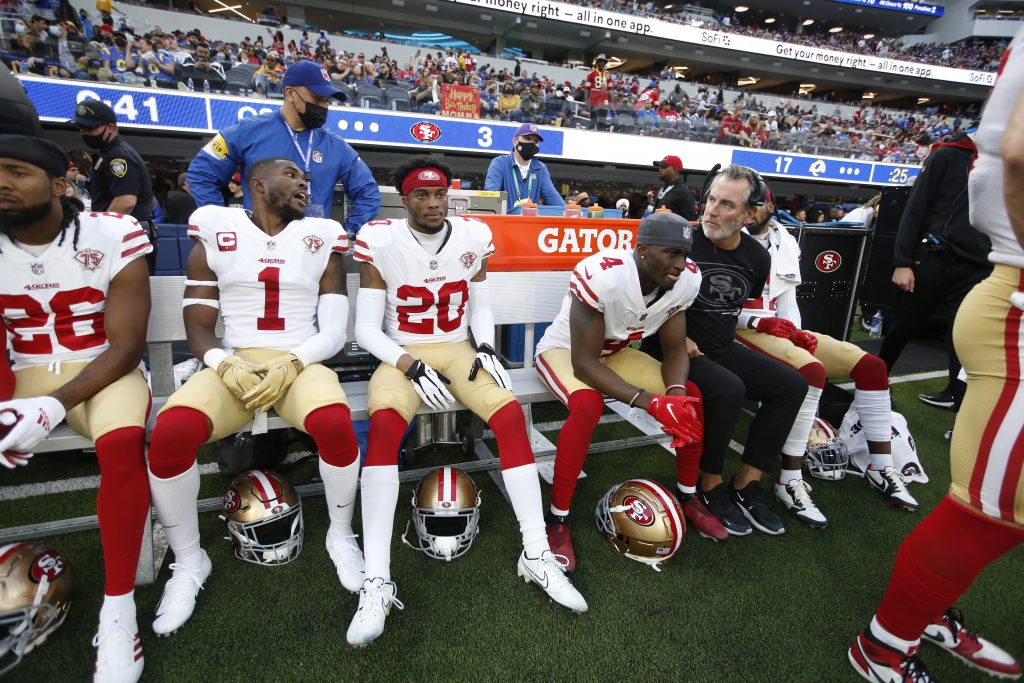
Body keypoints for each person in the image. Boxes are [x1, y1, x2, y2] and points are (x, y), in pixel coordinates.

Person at [348, 156, 587, 647]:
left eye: (439, 195)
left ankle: (536, 553)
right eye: (421, 195)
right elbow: (366, 329)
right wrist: (408, 364)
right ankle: (376, 578)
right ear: (405, 199)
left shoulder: (473, 236)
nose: (432, 204)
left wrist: (485, 345)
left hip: (459, 348)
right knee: (386, 433)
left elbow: (480, 304)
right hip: (404, 354)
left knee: (510, 418)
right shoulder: (381, 240)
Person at [848, 26, 1024, 682]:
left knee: (997, 504)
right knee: (989, 511)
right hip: (994, 280)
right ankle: (886, 642)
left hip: (990, 274)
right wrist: (901, 258)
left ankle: (930, 609)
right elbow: (1016, 153)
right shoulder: (952, 153)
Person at [146, 157, 364, 637]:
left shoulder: (322, 239)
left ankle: (341, 532)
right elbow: (199, 329)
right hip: (236, 360)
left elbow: (334, 332)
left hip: (301, 360)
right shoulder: (216, 230)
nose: (304, 182)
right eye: (292, 174)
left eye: (307, 178)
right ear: (257, 183)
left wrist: (293, 362)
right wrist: (224, 363)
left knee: (333, 423)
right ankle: (188, 560)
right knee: (171, 432)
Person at [0, 135, 153, 682]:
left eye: (16, 172)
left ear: (60, 185)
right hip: (23, 369)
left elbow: (126, 344)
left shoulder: (112, 232)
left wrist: (49, 408)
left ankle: (119, 610)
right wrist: (8, 409)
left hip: (101, 367)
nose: (2, 183)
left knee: (119, 446)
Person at [535, 212, 727, 568]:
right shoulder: (603, 276)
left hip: (617, 353)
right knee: (588, 404)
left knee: (691, 398)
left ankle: (688, 496)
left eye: (685, 254)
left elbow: (674, 349)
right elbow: (584, 364)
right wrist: (649, 402)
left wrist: (674, 393)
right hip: (565, 351)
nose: (680, 264)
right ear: (641, 251)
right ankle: (557, 517)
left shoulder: (685, 281)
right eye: (672, 253)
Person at [641, 165, 808, 537]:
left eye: (727, 205)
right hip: (669, 349)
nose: (712, 211)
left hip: (720, 347)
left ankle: (746, 484)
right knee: (729, 388)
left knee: (791, 385)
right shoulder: (681, 241)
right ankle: (710, 484)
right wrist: (672, 336)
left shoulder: (757, 257)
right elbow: (637, 301)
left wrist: (764, 324)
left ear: (750, 214)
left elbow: (732, 310)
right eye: (711, 200)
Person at [738, 189, 919, 528]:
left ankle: (880, 466)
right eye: (741, 204)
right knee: (811, 370)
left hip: (778, 327)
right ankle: (788, 479)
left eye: (755, 204)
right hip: (742, 328)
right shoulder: (724, 238)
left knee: (871, 367)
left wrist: (795, 335)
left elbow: (787, 299)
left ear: (770, 206)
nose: (748, 211)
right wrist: (776, 333)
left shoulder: (784, 238)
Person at [187, 60, 381, 237]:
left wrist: (350, 230)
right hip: (258, 247)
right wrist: (223, 225)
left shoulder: (335, 146)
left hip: (312, 251)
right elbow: (201, 173)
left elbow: (369, 192)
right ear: (290, 93)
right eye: (317, 98)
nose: (324, 106)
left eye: (327, 100)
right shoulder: (247, 131)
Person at [879, 129, 992, 410]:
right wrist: (903, 262)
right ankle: (875, 381)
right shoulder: (947, 155)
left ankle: (956, 393)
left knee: (962, 334)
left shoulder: (1003, 164)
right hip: (933, 256)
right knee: (903, 326)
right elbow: (915, 207)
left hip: (975, 265)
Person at [484, 123, 564, 213]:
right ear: (515, 141)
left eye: (536, 141)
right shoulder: (500, 163)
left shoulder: (540, 168)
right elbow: (491, 195)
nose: (532, 143)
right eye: (528, 138)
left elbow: (552, 195)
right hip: (505, 223)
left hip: (530, 224)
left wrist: (568, 212)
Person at [652, 155, 697, 221]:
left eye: (664, 167)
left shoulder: (683, 191)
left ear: (675, 169)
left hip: (673, 231)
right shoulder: (662, 189)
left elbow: (691, 219)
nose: (660, 169)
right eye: (660, 166)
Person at [584, 54, 611, 126]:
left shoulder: (591, 74)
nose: (602, 63)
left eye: (603, 61)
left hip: (601, 101)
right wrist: (586, 99)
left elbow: (587, 89)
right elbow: (587, 89)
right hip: (595, 101)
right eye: (600, 61)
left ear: (605, 63)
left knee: (600, 122)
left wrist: (586, 99)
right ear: (597, 62)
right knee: (595, 121)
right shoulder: (607, 75)